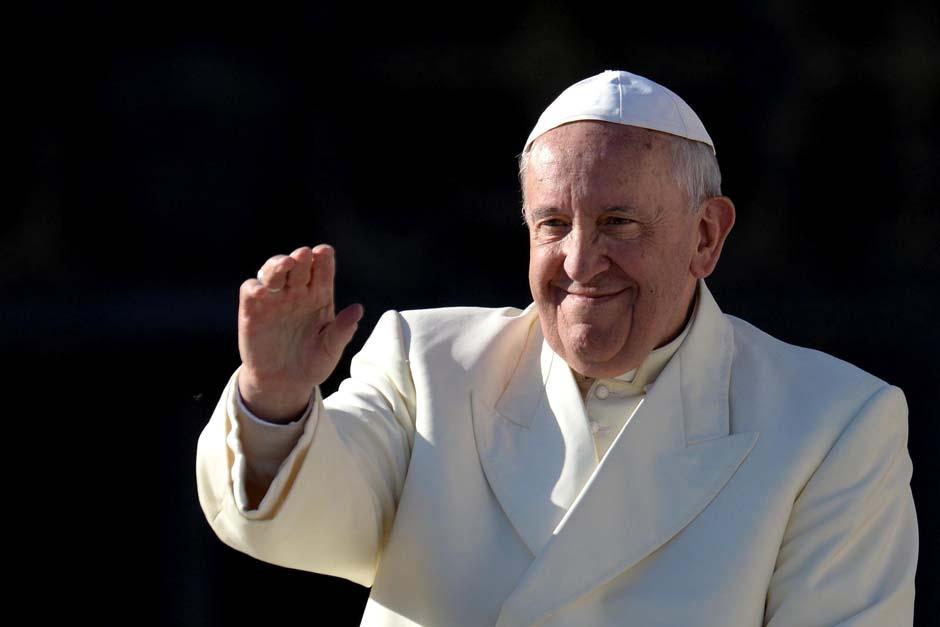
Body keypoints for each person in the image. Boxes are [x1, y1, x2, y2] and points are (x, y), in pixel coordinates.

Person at [196, 70, 918, 626]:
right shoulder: (430, 365)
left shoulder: (832, 424)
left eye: (618, 223)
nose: (578, 261)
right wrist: (277, 400)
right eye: (552, 224)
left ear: (705, 236)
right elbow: (300, 522)